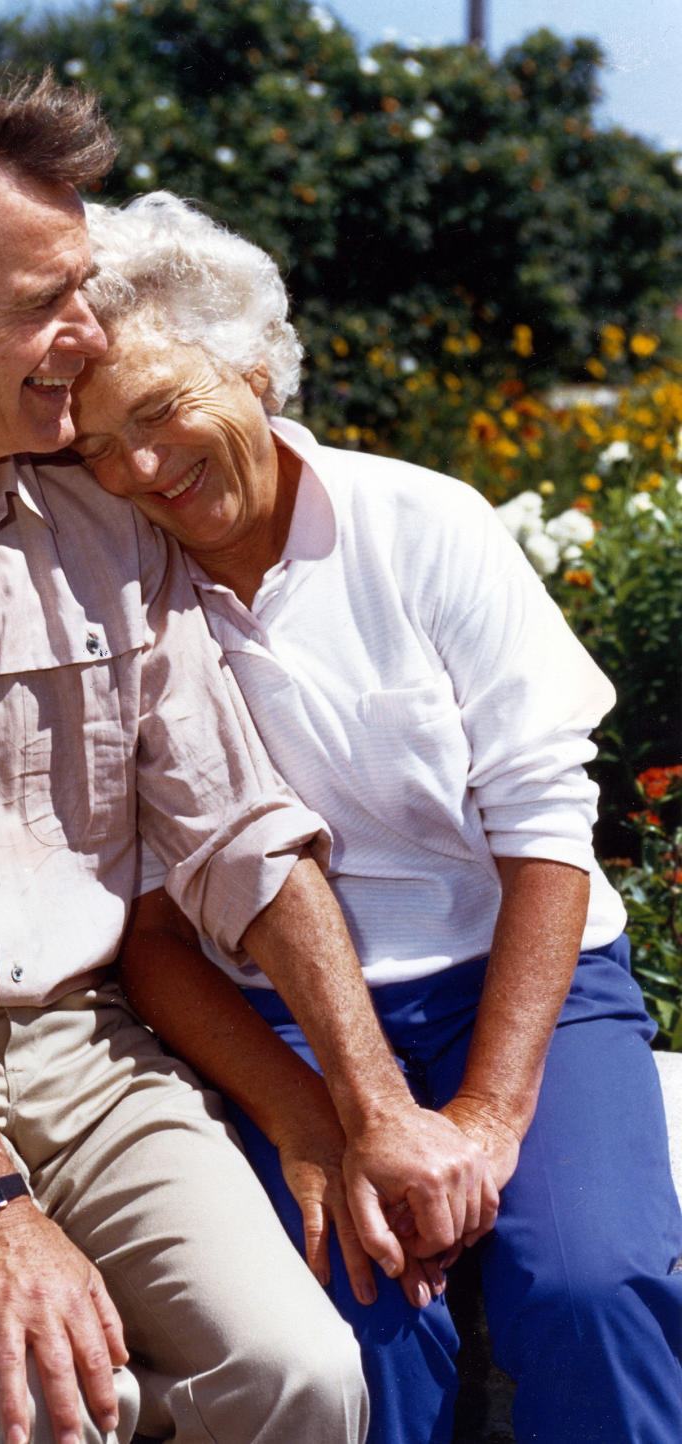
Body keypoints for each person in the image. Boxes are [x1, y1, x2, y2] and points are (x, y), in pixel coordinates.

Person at [0, 71, 420, 1444]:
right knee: (39, 1407)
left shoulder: (97, 515)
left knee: (305, 1377)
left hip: (87, 1053)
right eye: (45, 303)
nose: (88, 335)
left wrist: (370, 1102)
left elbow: (241, 832)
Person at [70, 190, 682, 1444]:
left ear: (254, 369)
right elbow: (144, 932)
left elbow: (547, 829)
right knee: (355, 1316)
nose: (138, 469)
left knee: (591, 1284)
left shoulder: (424, 524)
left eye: (163, 409)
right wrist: (317, 1116)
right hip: (273, 1021)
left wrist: (488, 1124)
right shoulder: (105, 598)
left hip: (521, 983)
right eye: (93, 446)